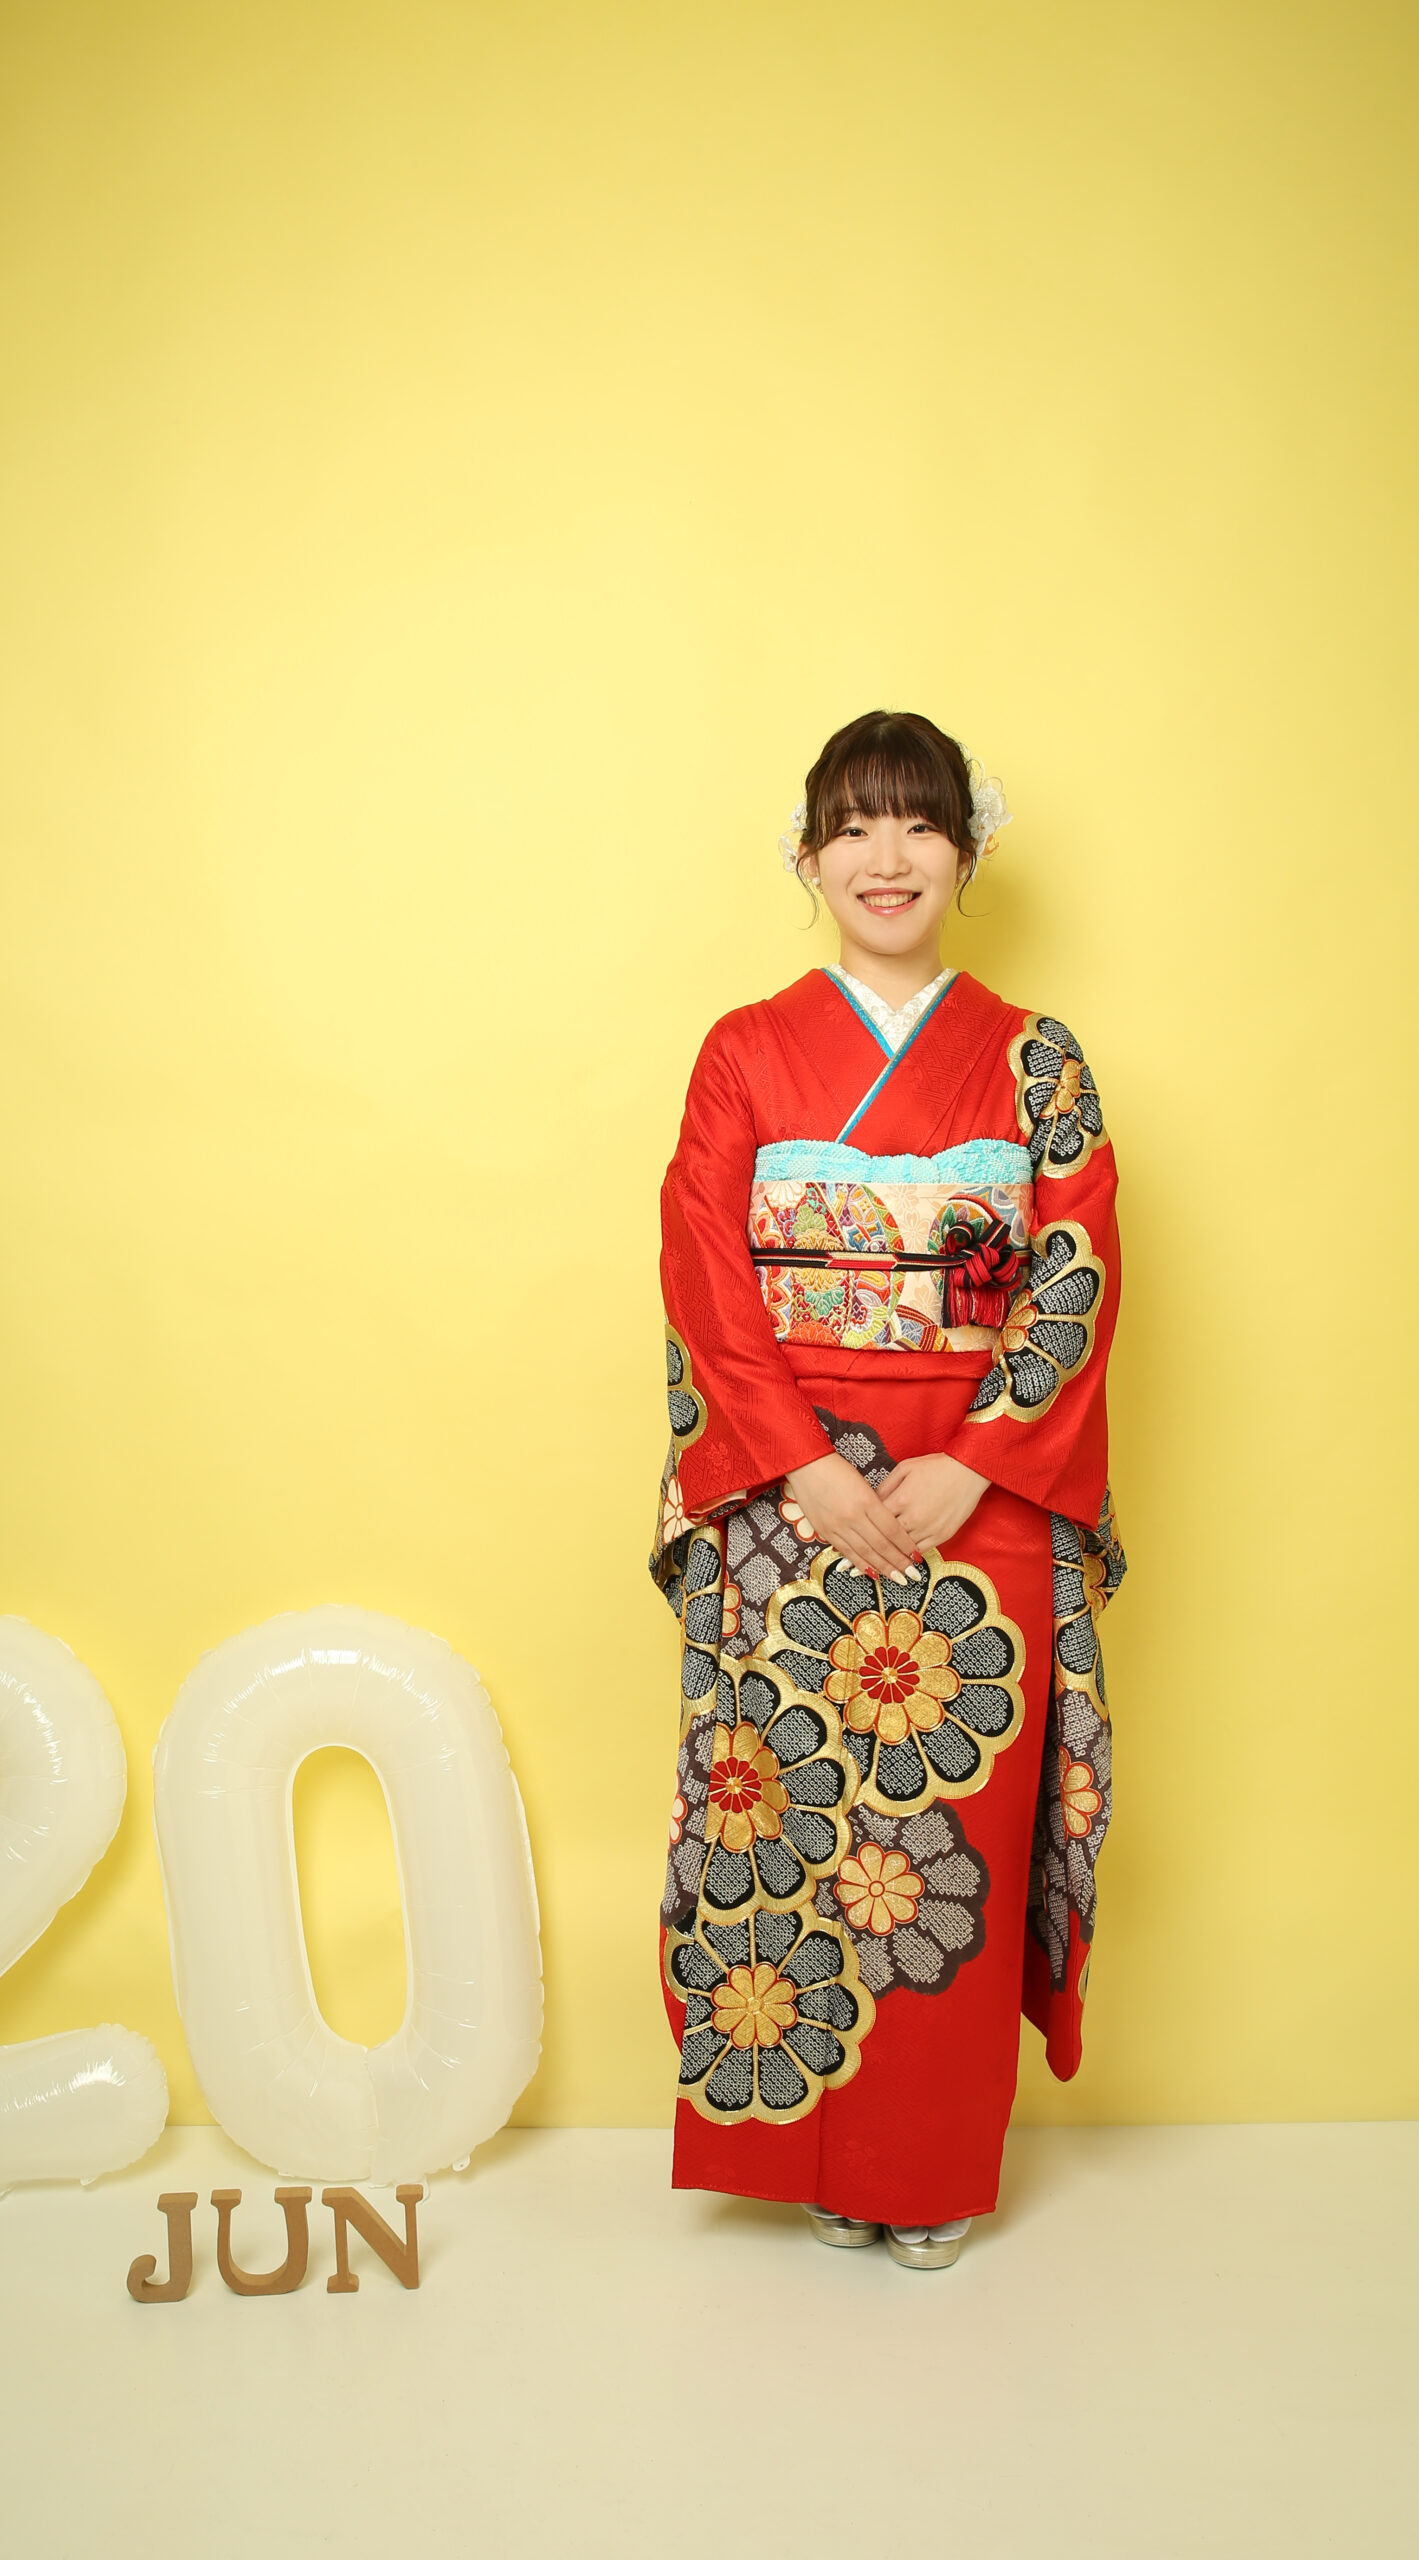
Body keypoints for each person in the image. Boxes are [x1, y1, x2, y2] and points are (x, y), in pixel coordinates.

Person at [651, 708, 1123, 2270]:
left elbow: (1075, 1267)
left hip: (973, 1491)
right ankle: (814, 2159)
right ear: (805, 856)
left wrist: (973, 1458)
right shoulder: (744, 1050)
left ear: (966, 852)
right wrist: (798, 1460)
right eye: (853, 824)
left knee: (944, 1840)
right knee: (789, 1809)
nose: (887, 854)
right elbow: (705, 1264)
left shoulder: (1039, 1059)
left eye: (919, 822)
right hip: (789, 1496)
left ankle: (924, 2170)